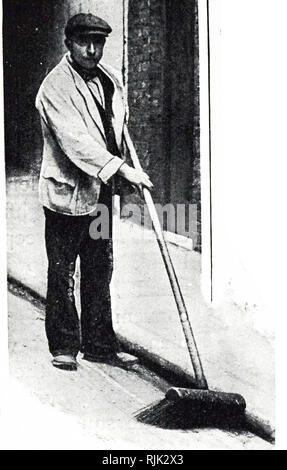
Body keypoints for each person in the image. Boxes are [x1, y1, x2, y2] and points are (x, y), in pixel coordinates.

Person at [35, 13, 153, 371]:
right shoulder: (54, 87)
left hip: (98, 196)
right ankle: (64, 346)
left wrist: (121, 167)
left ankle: (100, 345)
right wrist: (120, 168)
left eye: (98, 43)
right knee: (63, 270)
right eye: (84, 42)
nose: (91, 50)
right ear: (68, 43)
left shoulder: (109, 80)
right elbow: (78, 143)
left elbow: (115, 126)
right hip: (66, 197)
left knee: (100, 265)